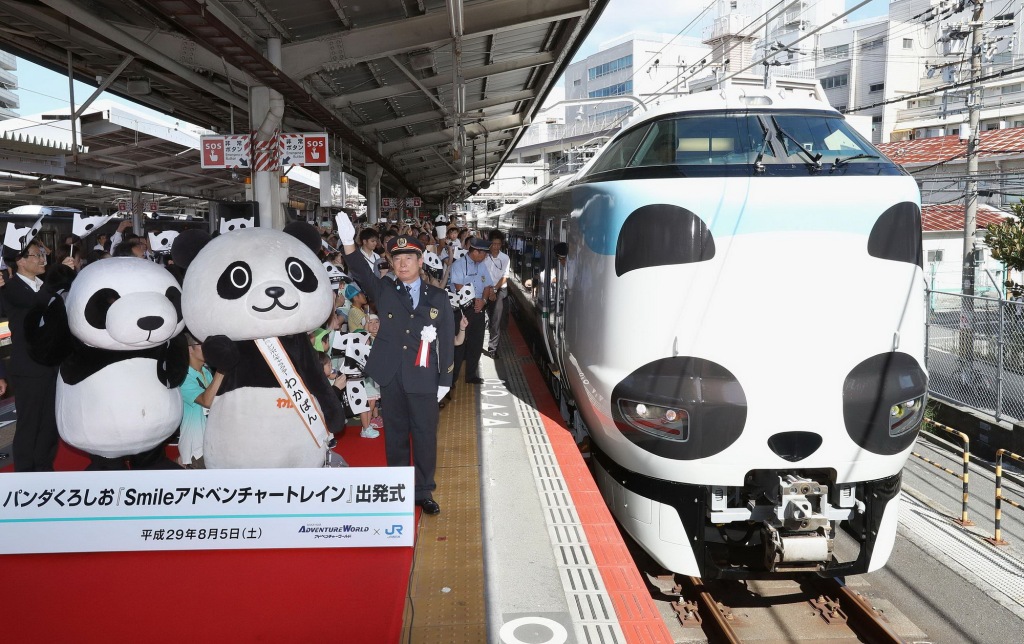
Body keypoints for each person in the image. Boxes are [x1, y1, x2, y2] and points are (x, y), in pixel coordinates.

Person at [340, 215, 454, 515]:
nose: (402, 264)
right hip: (391, 376)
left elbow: (446, 339)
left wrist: (445, 380)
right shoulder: (385, 290)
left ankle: (424, 491)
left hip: (424, 378)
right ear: (391, 263)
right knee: (396, 436)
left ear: (420, 261)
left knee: (425, 436)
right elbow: (361, 272)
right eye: (397, 259)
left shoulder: (438, 297)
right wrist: (349, 244)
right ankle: (399, 489)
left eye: (408, 258)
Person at [0, 240, 60, 471]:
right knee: (30, 424)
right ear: (21, 261)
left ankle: (44, 468)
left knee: (49, 423)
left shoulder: (42, 285)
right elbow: (35, 307)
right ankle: (24, 473)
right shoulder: (11, 288)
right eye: (37, 255)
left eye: (43, 254)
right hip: (29, 368)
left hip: (51, 365)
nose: (43, 259)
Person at [449, 237, 496, 385]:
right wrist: (475, 299)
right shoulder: (458, 265)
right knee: (459, 345)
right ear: (475, 251)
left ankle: (471, 375)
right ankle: (451, 380)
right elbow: (458, 286)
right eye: (484, 253)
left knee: (476, 342)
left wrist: (483, 301)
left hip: (478, 309)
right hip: (462, 310)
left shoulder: (482, 265)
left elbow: (487, 286)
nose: (485, 256)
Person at [178, 332, 224, 468]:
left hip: (211, 445)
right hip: (196, 449)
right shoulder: (183, 377)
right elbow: (206, 401)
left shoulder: (207, 372)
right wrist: (222, 368)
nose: (207, 348)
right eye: (202, 345)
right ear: (189, 349)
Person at [484, 230, 510, 359]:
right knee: (482, 317)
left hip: (499, 290)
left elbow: (505, 276)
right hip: (485, 288)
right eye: (493, 244)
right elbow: (482, 274)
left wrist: (494, 289)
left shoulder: (505, 258)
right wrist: (489, 289)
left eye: (498, 244)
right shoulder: (484, 256)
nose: (496, 247)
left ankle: (492, 348)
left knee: (496, 320)